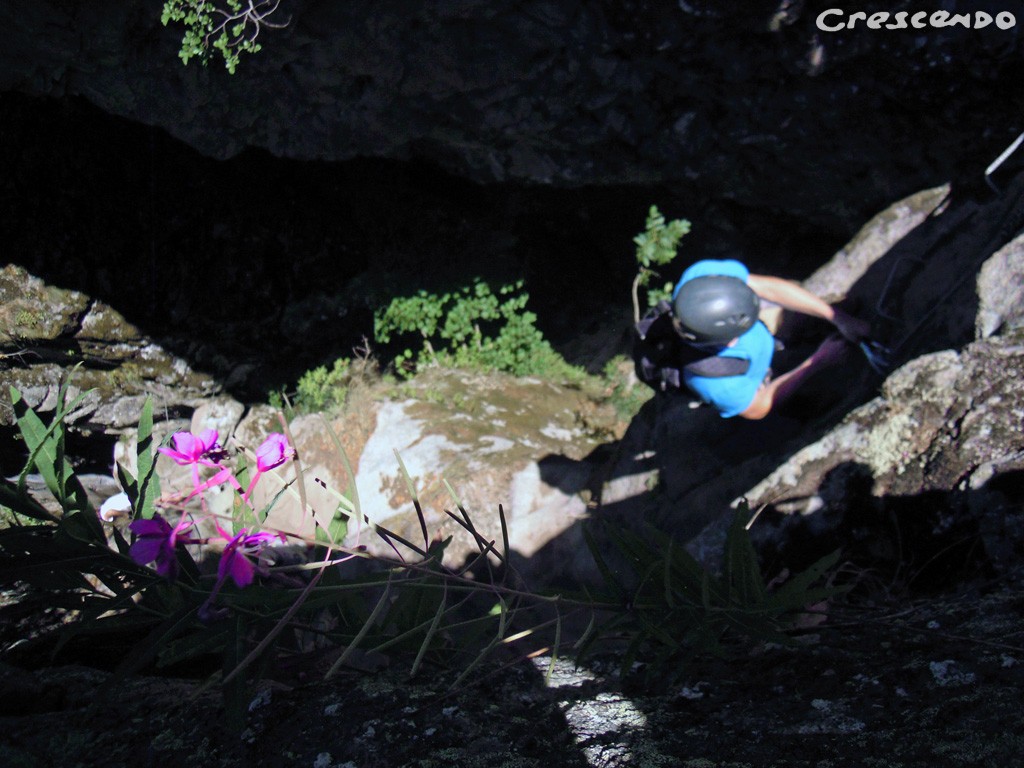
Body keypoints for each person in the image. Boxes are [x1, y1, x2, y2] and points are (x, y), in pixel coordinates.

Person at [670, 258, 870, 420]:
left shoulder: (703, 280)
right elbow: (758, 407)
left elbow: (770, 290)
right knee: (814, 399)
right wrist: (817, 362)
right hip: (757, 379)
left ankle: (812, 329)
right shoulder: (717, 385)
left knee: (804, 316)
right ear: (726, 340)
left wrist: (836, 317)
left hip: (763, 338)